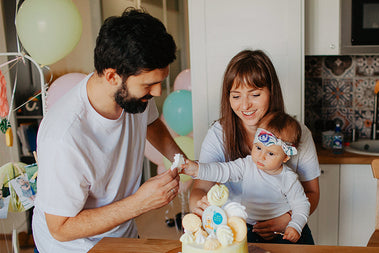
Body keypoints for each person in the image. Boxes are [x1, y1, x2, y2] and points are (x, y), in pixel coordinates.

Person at [32, 8, 183, 252]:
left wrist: (181, 160)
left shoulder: (134, 95)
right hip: (74, 247)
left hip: (121, 233)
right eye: (149, 85)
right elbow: (60, 228)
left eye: (159, 82)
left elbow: (151, 123)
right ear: (112, 76)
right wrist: (140, 203)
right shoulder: (64, 136)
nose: (157, 92)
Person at [189, 49, 321, 244]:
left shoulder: (299, 134)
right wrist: (200, 206)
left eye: (255, 94)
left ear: (271, 92)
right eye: (236, 96)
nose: (245, 105)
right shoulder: (219, 133)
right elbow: (200, 187)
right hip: (235, 227)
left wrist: (288, 219)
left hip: (287, 225)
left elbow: (313, 193)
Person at [181, 111, 310, 243]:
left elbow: (302, 205)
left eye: (270, 153)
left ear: (286, 157)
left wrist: (295, 226)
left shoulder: (289, 179)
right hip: (250, 227)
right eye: (258, 148)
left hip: (281, 231)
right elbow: (222, 170)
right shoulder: (247, 164)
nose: (261, 156)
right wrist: (197, 169)